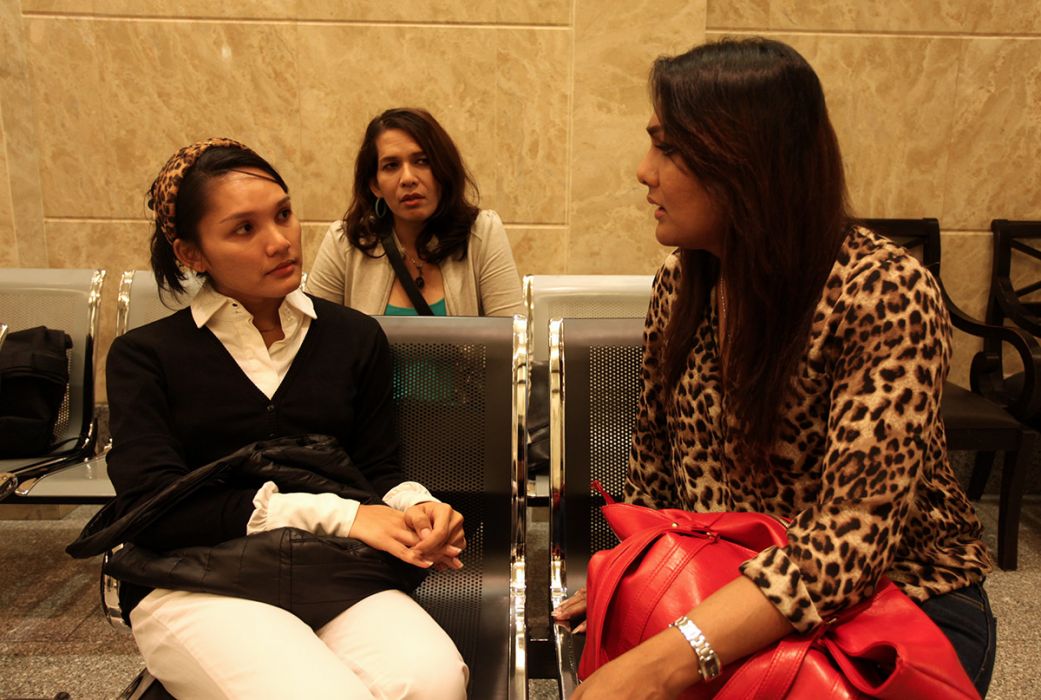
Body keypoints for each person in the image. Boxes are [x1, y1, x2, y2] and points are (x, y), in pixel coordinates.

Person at [553, 38, 996, 698]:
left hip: (895, 605)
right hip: (725, 582)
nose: (644, 171)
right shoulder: (683, 282)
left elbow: (849, 543)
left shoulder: (881, 291)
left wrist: (663, 661)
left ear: (744, 161)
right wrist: (633, 574)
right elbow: (652, 474)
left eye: (667, 148)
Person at [104, 138, 469, 699]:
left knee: (434, 683)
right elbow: (155, 508)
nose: (280, 241)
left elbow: (376, 466)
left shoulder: (353, 337)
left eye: (283, 214)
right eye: (243, 229)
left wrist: (414, 506)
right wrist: (345, 516)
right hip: (192, 580)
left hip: (328, 569)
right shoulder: (146, 357)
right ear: (191, 253)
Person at [307, 107, 524, 317]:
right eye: (391, 166)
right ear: (375, 185)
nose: (408, 178)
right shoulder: (344, 243)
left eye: (422, 161)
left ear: (443, 169)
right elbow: (314, 337)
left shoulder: (482, 234)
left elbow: (511, 336)